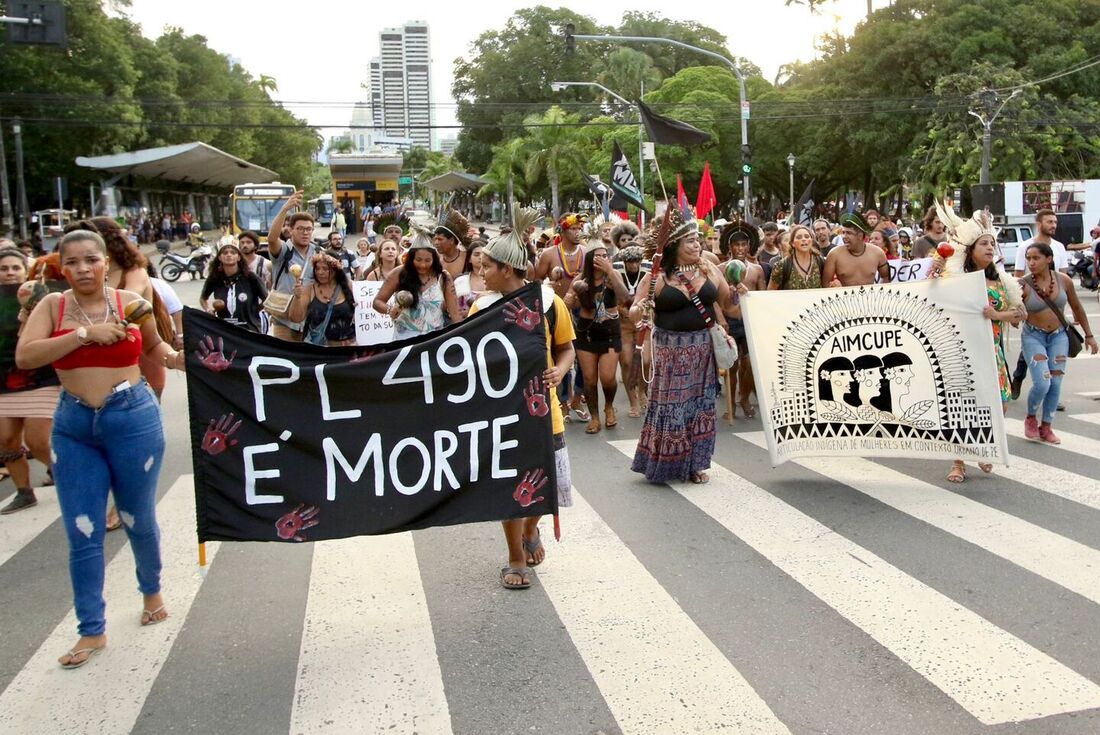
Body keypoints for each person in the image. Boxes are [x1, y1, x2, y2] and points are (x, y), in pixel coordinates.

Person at [16, 228, 186, 669]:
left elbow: (157, 347)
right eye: (71, 262)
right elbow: (26, 356)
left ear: (105, 262)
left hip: (131, 420)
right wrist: (83, 336)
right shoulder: (50, 306)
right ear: (60, 267)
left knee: (137, 517)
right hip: (73, 426)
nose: (83, 269)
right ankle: (91, 629)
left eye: (91, 260)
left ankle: (151, 591)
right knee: (82, 530)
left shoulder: (131, 304)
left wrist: (178, 358)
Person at [471, 208, 575, 590]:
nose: (482, 272)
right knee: (509, 487)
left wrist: (560, 371)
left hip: (545, 412)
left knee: (543, 486)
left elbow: (566, 349)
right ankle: (515, 557)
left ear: (508, 269)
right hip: (501, 412)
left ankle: (532, 530)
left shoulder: (550, 304)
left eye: (487, 265)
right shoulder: (480, 309)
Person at [630, 205, 732, 484]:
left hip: (702, 351)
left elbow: (729, 304)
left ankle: (696, 465)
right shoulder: (657, 277)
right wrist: (642, 307)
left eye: (698, 239)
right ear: (674, 245)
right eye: (690, 240)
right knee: (672, 407)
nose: (697, 244)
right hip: (670, 353)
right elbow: (634, 312)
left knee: (701, 407)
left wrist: (738, 289)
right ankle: (665, 465)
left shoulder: (709, 268)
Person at [935, 205, 1025, 483]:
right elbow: (932, 300)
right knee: (963, 408)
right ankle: (959, 462)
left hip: (992, 354)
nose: (989, 247)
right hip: (962, 354)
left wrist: (998, 315)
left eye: (992, 243)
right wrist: (936, 272)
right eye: (983, 243)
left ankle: (985, 447)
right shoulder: (955, 278)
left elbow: (1020, 316)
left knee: (999, 405)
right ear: (970, 250)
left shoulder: (1003, 282)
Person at [1018, 242, 1097, 444]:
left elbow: (1077, 307)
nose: (1031, 262)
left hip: (1059, 336)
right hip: (1033, 336)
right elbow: (1013, 312)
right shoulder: (1022, 284)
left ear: (1049, 259)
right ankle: (1030, 418)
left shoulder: (1063, 280)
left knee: (1056, 383)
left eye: (1036, 258)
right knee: (1042, 382)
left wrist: (1089, 335)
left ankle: (1047, 427)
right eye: (1028, 258)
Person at [0, 248, 58, 514]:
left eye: (15, 268)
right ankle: (24, 491)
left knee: (38, 440)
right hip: (4, 380)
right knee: (6, 439)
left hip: (41, 376)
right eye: (4, 269)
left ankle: (66, 474)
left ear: (25, 271)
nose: (10, 273)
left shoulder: (43, 296)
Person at [564, 243, 628, 434]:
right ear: (590, 259)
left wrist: (610, 271)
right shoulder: (580, 280)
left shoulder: (613, 277)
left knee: (608, 378)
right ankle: (594, 417)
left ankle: (609, 406)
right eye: (598, 255)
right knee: (590, 379)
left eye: (605, 255)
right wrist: (570, 300)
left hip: (609, 332)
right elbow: (569, 299)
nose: (602, 258)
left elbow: (625, 298)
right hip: (587, 332)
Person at [1010, 209, 1068, 400]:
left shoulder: (1059, 247)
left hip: (1054, 306)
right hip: (1032, 304)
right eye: (1049, 222)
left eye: (1055, 222)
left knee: (1053, 353)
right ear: (1039, 223)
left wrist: (1060, 310)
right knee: (1033, 346)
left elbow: (1064, 278)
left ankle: (1053, 394)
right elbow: (1017, 279)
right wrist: (1018, 307)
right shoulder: (1025, 247)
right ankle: (1018, 377)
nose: (1053, 225)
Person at [373, 220, 460, 340]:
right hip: (404, 340)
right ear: (411, 258)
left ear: (434, 259)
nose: (423, 265)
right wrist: (390, 310)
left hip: (435, 339)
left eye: (427, 260)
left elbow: (455, 313)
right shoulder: (399, 273)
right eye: (418, 260)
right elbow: (377, 302)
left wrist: (463, 337)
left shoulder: (444, 277)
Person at [721, 223, 766, 420]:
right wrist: (721, 320)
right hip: (729, 321)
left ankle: (745, 398)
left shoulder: (756, 270)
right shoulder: (720, 269)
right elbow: (715, 299)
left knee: (748, 364)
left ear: (749, 246)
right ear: (730, 247)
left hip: (750, 321)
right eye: (736, 245)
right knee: (732, 365)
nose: (740, 249)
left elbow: (763, 296)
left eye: (743, 245)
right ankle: (730, 404)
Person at [267, 191, 318, 342]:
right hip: (283, 320)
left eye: (309, 229)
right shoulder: (284, 251)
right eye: (300, 229)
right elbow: (271, 238)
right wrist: (284, 209)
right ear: (290, 230)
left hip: (310, 320)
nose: (305, 233)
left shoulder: (318, 253)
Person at [288, 252, 357, 346]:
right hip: (320, 349)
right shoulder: (309, 290)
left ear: (336, 270)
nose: (320, 272)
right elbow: (296, 318)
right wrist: (297, 297)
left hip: (349, 349)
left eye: (325, 269)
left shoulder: (350, 286)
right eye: (317, 268)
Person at [613, 246, 650, 418]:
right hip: (624, 323)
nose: (634, 266)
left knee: (646, 360)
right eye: (630, 262)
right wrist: (619, 308)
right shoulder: (616, 271)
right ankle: (633, 401)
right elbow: (609, 294)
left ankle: (643, 391)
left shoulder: (649, 270)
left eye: (637, 261)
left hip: (644, 321)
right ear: (624, 262)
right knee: (626, 362)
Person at [200, 240, 268, 333]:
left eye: (233, 252)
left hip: (249, 330)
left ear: (239, 257)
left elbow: (267, 299)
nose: (229, 255)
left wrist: (254, 309)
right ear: (219, 257)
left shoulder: (251, 277)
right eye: (225, 253)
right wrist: (208, 310)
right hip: (225, 331)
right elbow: (203, 298)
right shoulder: (215, 278)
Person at [823, 212, 890, 287]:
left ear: (860, 235)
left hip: (870, 297)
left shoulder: (877, 253)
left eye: (849, 233)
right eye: (843, 232)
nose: (844, 236)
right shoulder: (834, 255)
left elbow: (886, 277)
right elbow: (825, 283)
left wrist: (879, 292)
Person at [769, 224, 824, 291]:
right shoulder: (782, 265)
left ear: (811, 241)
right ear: (792, 243)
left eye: (807, 236)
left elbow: (826, 286)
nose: (804, 239)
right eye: (799, 237)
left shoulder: (820, 261)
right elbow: (770, 292)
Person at [434, 210, 473, 281]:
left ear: (451, 240)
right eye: (435, 239)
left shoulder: (468, 259)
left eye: (440, 239)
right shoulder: (434, 259)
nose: (436, 242)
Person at [454, 239, 487, 318]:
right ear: (469, 259)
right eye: (476, 254)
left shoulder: (496, 280)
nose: (480, 257)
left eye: (484, 254)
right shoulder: (460, 281)